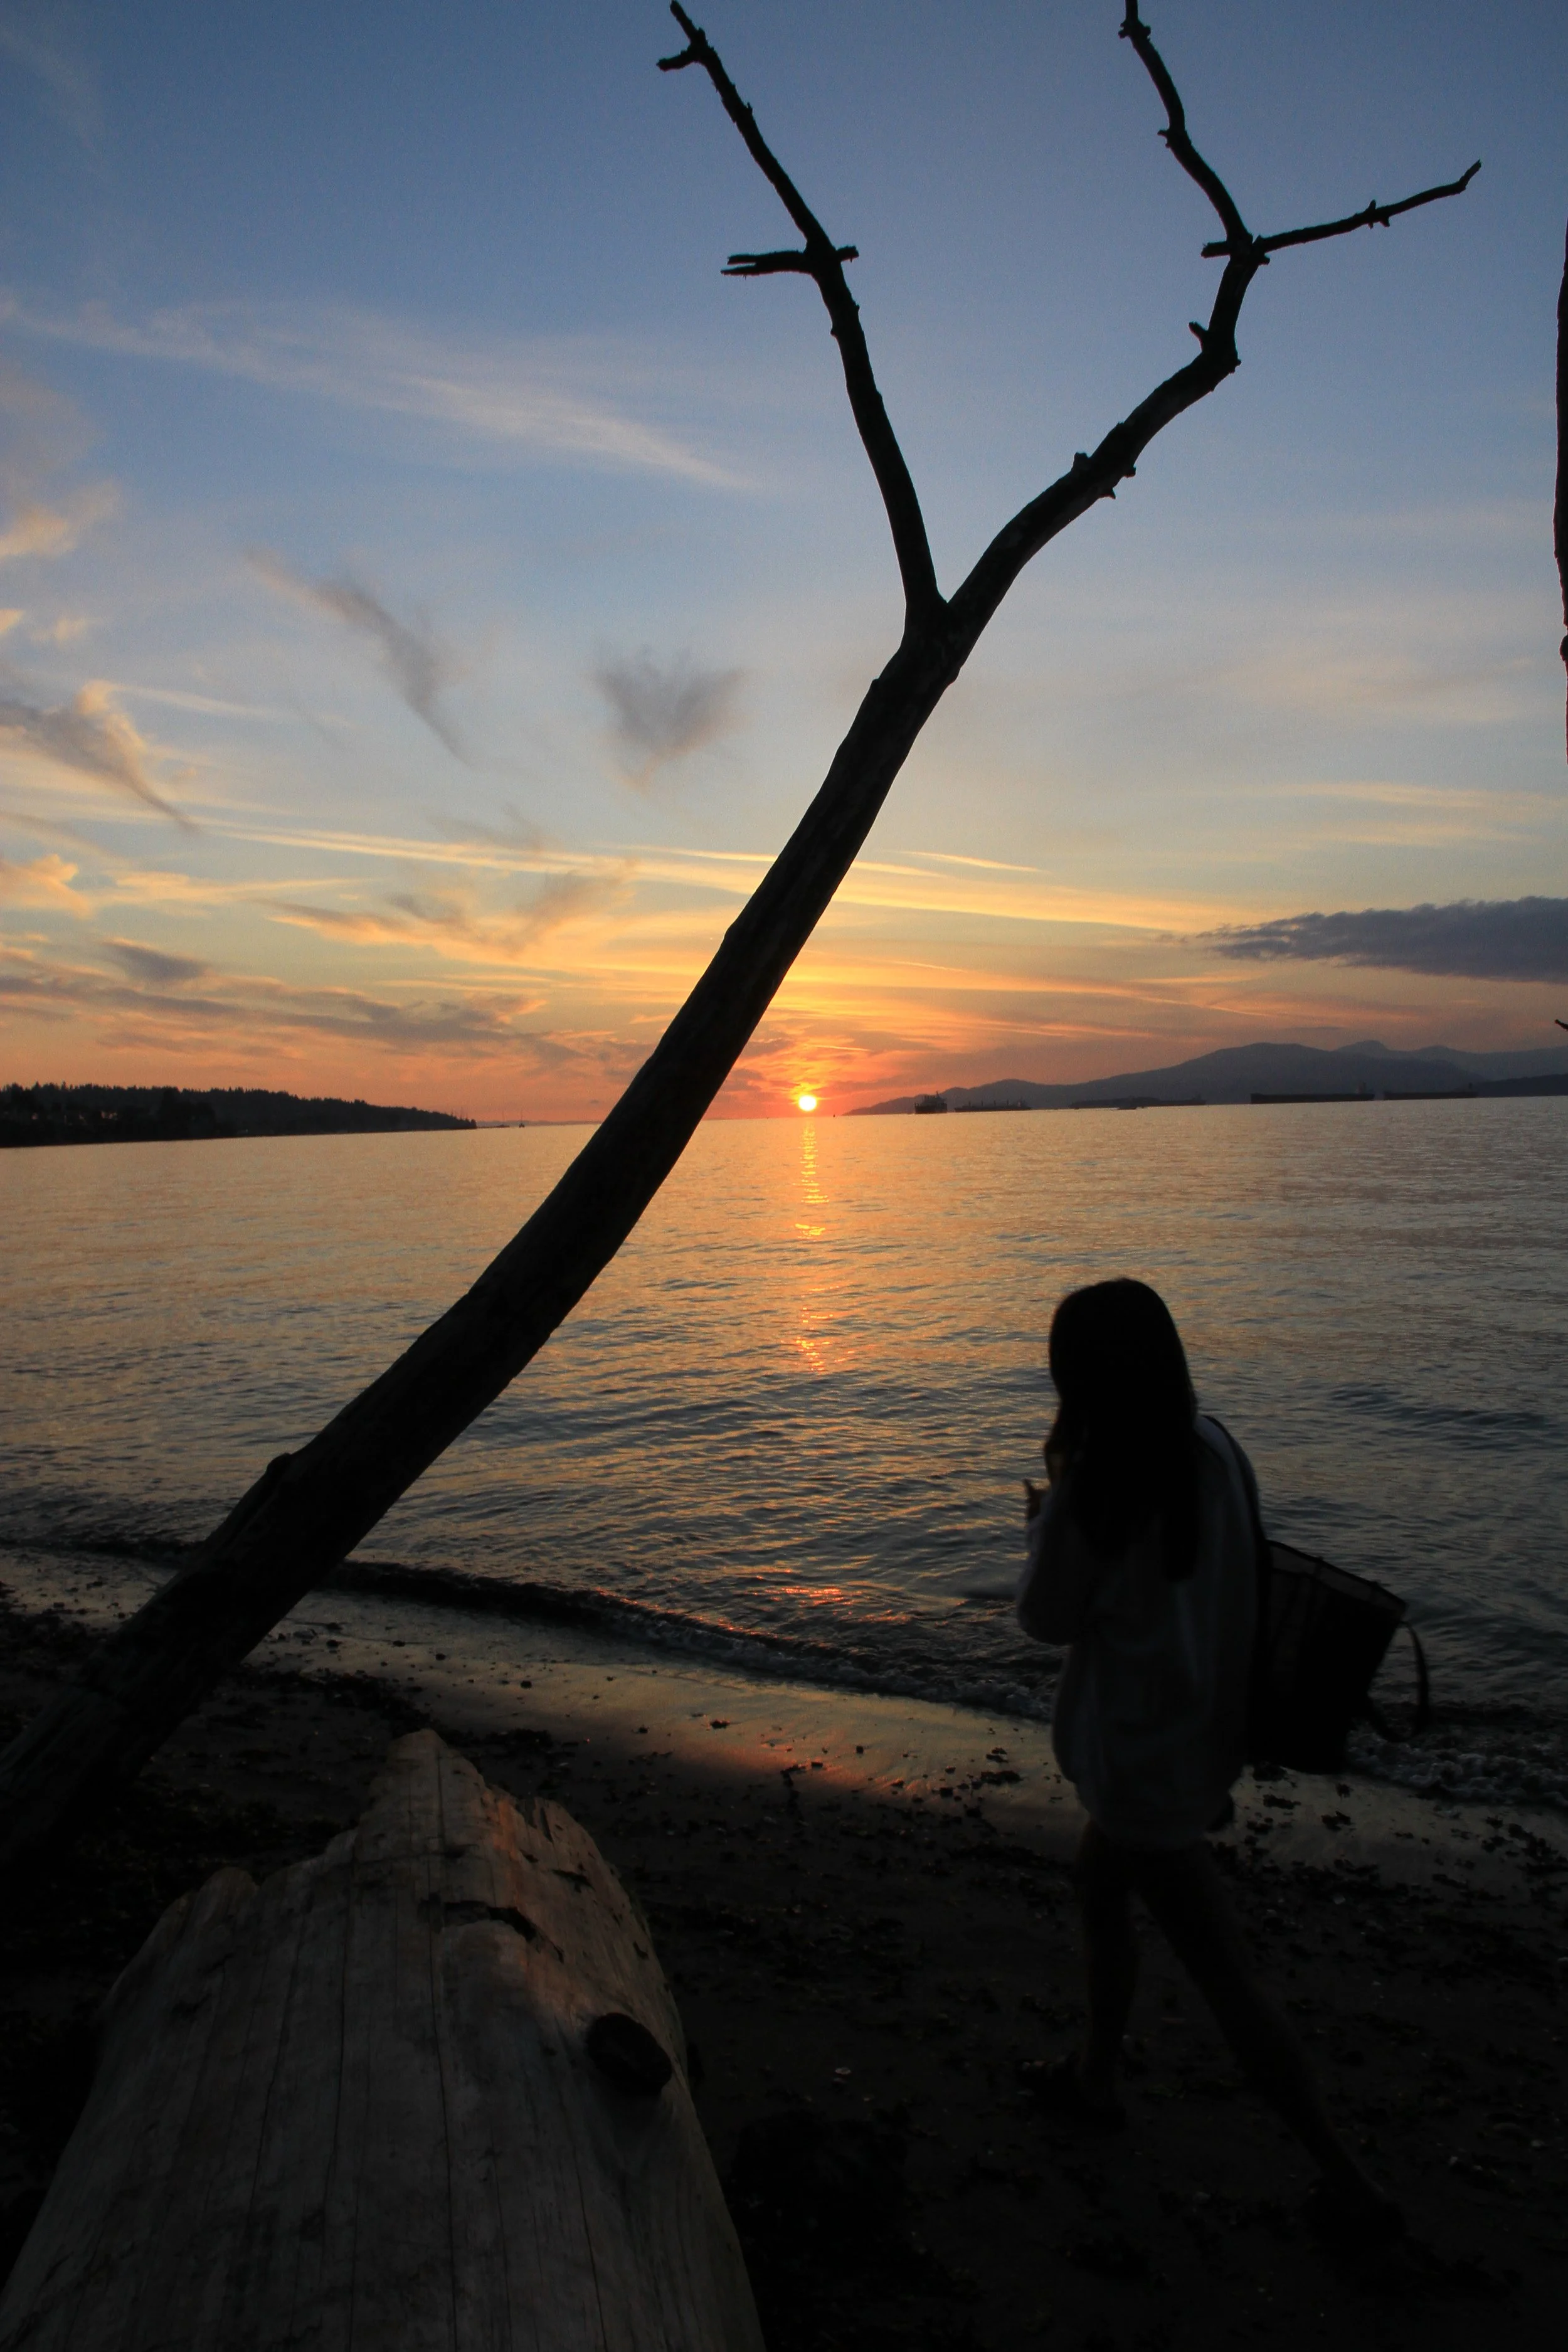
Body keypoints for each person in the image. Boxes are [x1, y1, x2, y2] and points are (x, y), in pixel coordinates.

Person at [1015, 1277, 1402, 2249]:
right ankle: (1095, 2076)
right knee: (1098, 1888)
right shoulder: (1218, 1449)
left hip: (1139, 1767)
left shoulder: (1097, 1491)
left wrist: (1042, 1521)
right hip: (1199, 1738)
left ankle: (1349, 2179)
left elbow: (1045, 1618)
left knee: (1225, 1974)